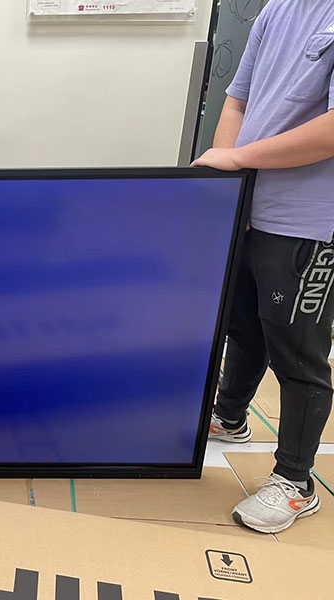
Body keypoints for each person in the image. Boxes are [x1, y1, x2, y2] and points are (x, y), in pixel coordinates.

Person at [194, 0, 334, 534]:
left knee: (297, 351)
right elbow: (237, 99)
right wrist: (231, 181)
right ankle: (230, 417)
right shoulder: (278, 8)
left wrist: (237, 160)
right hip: (251, 204)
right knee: (244, 324)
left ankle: (295, 482)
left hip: (309, 220)